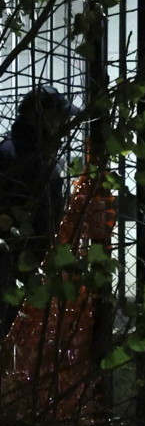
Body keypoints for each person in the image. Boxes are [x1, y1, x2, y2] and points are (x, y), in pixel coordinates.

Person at [0, 85, 79, 339]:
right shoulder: (17, 157)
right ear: (40, 118)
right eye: (60, 118)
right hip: (12, 267)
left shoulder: (38, 157)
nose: (64, 127)